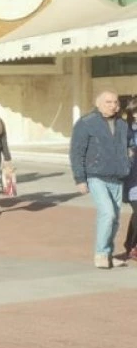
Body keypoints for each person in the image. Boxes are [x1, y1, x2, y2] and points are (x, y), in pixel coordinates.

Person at [70, 91, 131, 269]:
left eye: (115, 102)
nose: (113, 105)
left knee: (115, 218)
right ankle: (101, 254)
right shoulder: (86, 123)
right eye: (108, 102)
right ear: (98, 104)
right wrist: (80, 178)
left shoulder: (121, 124)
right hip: (96, 175)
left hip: (118, 176)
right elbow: (77, 152)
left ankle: (108, 254)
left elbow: (127, 145)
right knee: (107, 213)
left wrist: (128, 156)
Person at [123, 99, 137, 261]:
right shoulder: (127, 132)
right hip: (133, 180)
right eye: (134, 112)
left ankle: (129, 243)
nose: (136, 115)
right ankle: (132, 246)